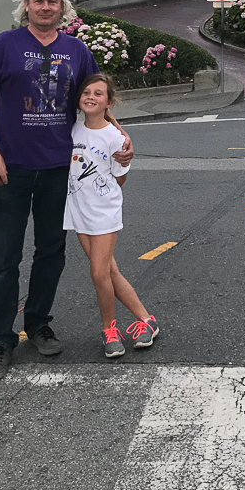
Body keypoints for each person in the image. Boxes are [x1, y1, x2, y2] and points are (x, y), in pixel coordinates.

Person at [0, 0, 134, 382]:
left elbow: (97, 98)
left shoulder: (76, 50)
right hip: (10, 167)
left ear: (64, 9)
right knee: (3, 257)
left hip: (60, 169)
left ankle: (38, 324)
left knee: (51, 252)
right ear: (26, 6)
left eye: (52, 2)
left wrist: (120, 135)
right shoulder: (4, 45)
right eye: (38, 0)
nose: (45, 7)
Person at [64, 73, 158, 358]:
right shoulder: (73, 130)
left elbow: (119, 180)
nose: (91, 97)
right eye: (87, 93)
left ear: (109, 102)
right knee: (109, 272)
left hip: (104, 213)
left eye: (99, 94)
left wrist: (99, 192)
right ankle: (147, 320)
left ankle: (109, 329)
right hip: (78, 211)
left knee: (98, 273)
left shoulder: (116, 139)